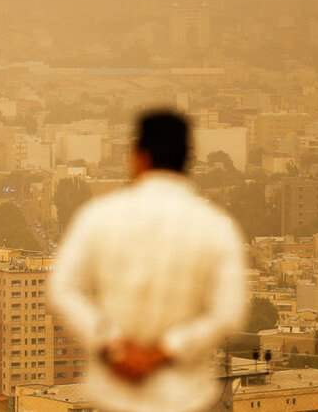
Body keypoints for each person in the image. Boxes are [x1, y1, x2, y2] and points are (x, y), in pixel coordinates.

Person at [50, 110, 247, 412]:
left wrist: (114, 345)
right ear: (187, 161)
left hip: (115, 394)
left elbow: (62, 289)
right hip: (184, 397)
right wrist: (166, 350)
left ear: (138, 157)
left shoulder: (100, 216)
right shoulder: (216, 227)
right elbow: (228, 313)